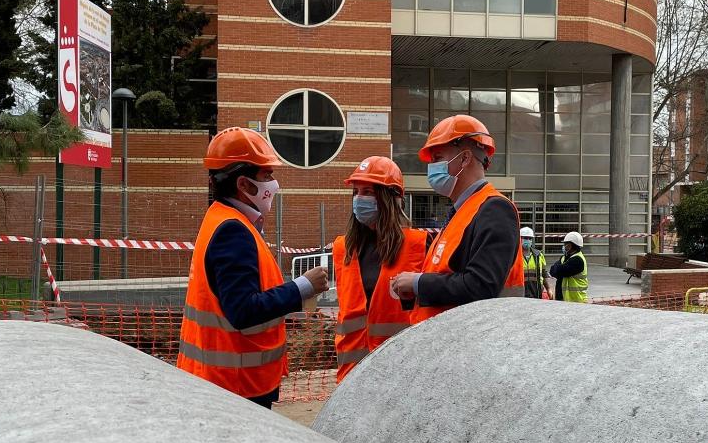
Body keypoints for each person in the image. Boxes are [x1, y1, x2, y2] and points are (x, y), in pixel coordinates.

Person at [176, 127, 329, 408]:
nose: (273, 183)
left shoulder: (223, 219)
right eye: (267, 175)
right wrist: (303, 286)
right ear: (244, 184)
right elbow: (243, 310)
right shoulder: (232, 231)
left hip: (226, 382)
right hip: (235, 388)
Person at [391, 115, 524, 322]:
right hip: (454, 341)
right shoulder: (461, 212)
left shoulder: (495, 209)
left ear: (464, 158)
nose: (431, 167)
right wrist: (414, 289)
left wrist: (418, 283)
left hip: (477, 342)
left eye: (437, 158)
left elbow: (481, 285)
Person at [332, 156, 428, 382]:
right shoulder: (343, 248)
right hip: (351, 372)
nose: (359, 199)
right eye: (356, 192)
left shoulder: (417, 245)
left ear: (389, 198)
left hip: (399, 368)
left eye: (367, 192)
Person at [549, 231, 588, 302]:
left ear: (572, 245)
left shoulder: (578, 260)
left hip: (576, 300)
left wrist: (557, 267)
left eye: (566, 243)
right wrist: (557, 268)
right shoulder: (565, 257)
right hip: (564, 299)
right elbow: (552, 271)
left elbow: (560, 270)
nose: (564, 246)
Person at [520, 227, 547, 299]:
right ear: (520, 239)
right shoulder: (515, 255)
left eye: (530, 238)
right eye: (525, 238)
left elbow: (544, 274)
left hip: (536, 292)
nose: (528, 240)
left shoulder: (538, 255)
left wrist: (549, 289)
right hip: (520, 293)